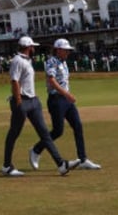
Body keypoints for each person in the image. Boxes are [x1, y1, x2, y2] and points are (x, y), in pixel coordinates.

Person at [3, 36, 79, 176]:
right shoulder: (17, 60)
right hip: (22, 101)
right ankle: (7, 166)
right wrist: (18, 101)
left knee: (44, 134)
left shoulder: (27, 60)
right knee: (14, 133)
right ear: (28, 48)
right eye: (32, 46)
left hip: (33, 101)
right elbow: (14, 81)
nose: (34, 48)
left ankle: (61, 165)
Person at [29, 39, 102, 171]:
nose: (68, 52)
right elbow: (52, 81)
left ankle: (83, 159)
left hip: (66, 99)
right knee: (58, 131)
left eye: (68, 50)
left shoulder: (63, 62)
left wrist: (67, 95)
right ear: (58, 50)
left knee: (77, 126)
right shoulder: (52, 61)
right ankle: (36, 149)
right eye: (66, 50)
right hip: (56, 99)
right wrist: (66, 94)